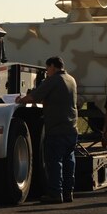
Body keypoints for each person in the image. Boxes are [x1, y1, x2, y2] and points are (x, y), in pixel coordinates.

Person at [16, 56, 79, 204]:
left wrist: (21, 99)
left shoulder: (54, 80)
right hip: (71, 127)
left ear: (53, 66)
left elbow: (35, 96)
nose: (46, 72)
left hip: (57, 128)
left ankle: (56, 193)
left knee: (55, 162)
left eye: (47, 69)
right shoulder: (71, 79)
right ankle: (68, 192)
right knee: (69, 161)